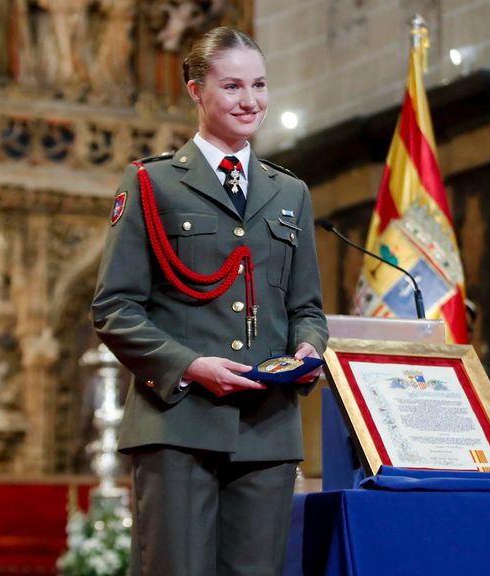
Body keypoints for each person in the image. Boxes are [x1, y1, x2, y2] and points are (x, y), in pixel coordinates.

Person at [91, 26, 327, 575]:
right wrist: (190, 367)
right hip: (178, 423)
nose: (251, 101)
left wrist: (310, 349)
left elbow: (307, 308)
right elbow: (114, 308)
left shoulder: (289, 191)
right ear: (196, 91)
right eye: (233, 86)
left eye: (260, 85)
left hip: (267, 429)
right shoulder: (152, 184)